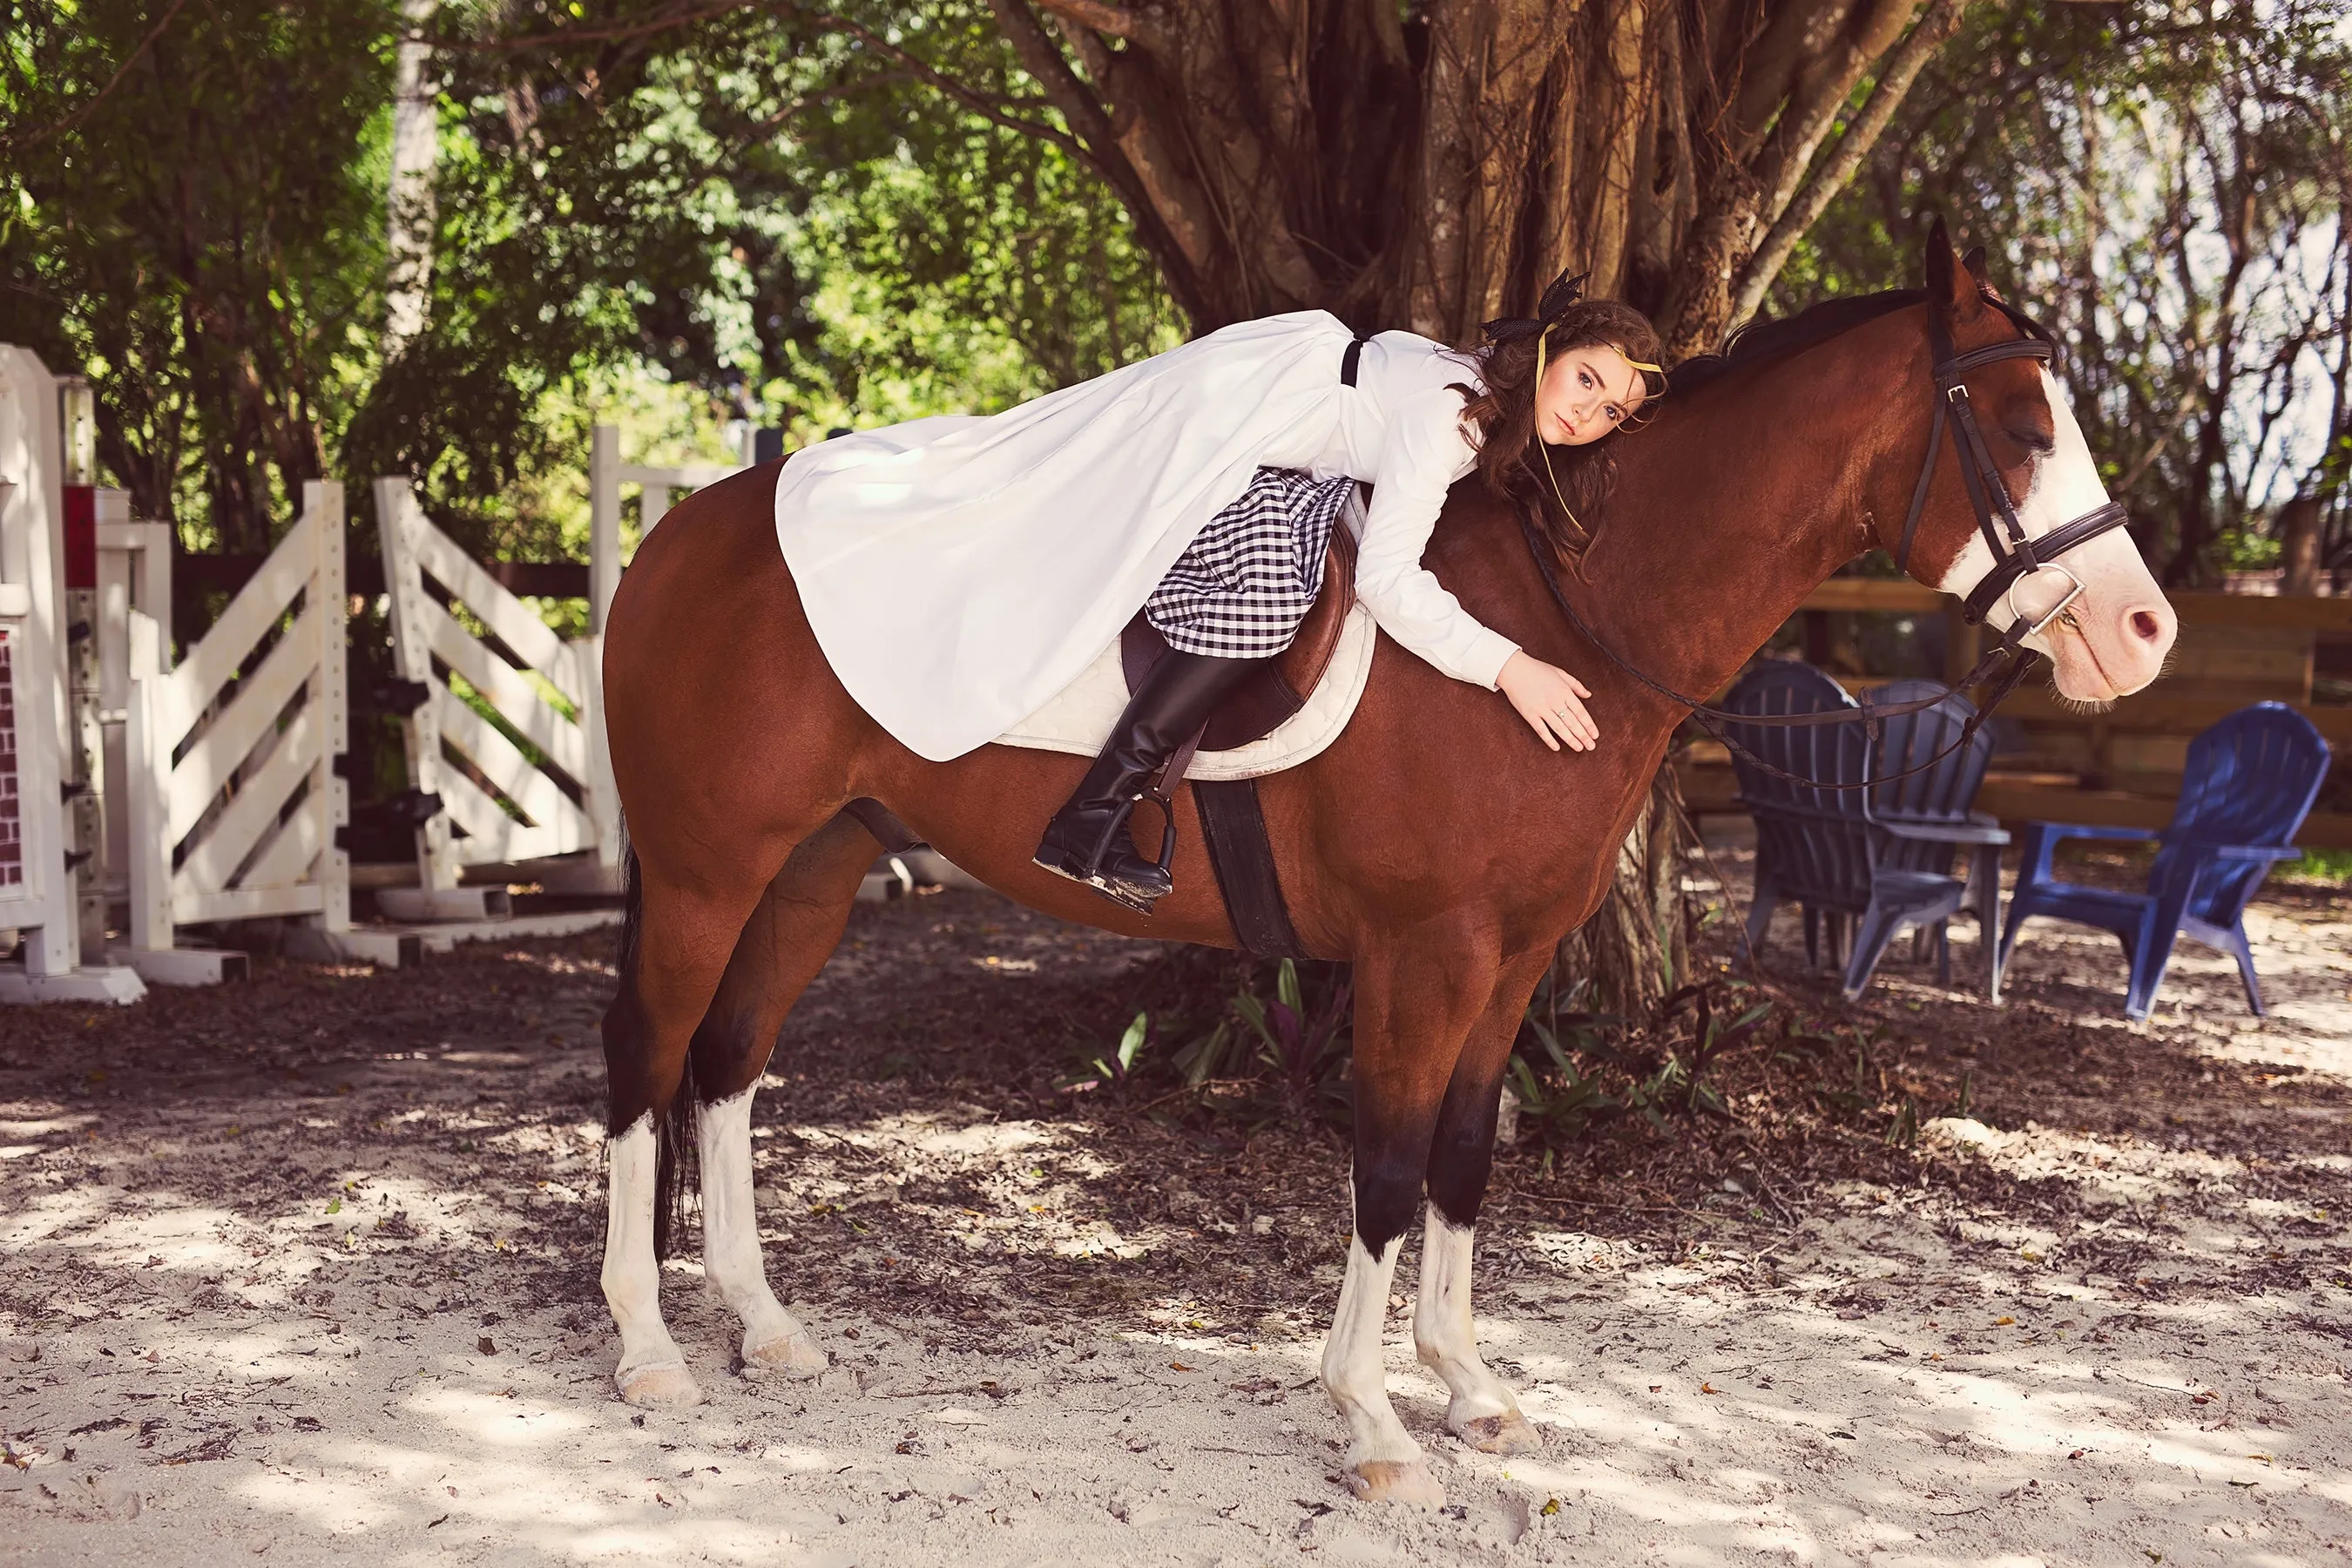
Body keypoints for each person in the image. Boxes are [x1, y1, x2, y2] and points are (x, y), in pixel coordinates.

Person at [772, 272, 1665, 913]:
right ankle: (1091, 812)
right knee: (1269, 594)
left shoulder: (1488, 398)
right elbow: (1392, 581)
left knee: (1292, 556)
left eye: (1612, 412)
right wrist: (1510, 669)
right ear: (1552, 351)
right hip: (1238, 417)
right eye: (1587, 379)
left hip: (1285, 421)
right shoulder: (1453, 418)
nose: (1588, 416)